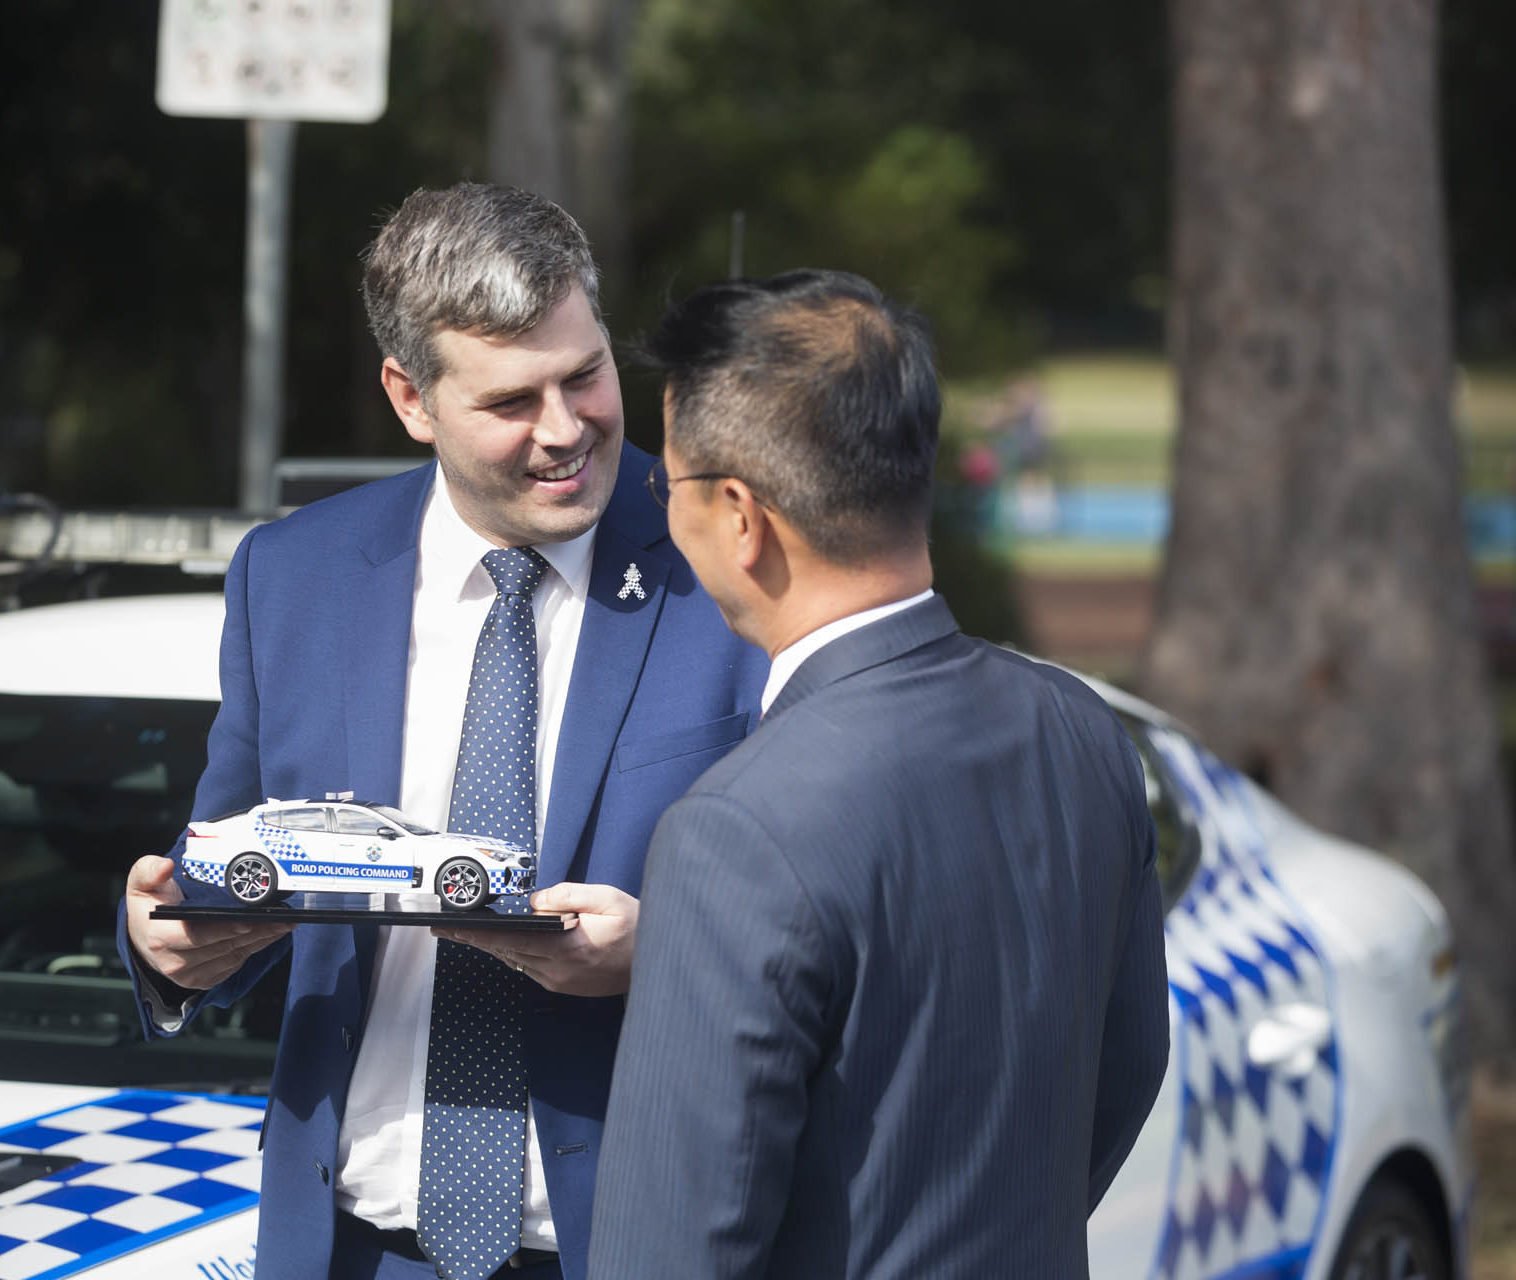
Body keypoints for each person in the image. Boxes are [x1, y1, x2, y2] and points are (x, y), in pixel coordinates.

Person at [115, 182, 765, 1280]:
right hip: (351, 1249)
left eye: (586, 374)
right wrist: (174, 949)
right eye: (513, 401)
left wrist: (665, 957)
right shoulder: (294, 577)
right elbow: (226, 862)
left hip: (633, 1246)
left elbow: (843, 919)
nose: (566, 430)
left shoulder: (736, 560)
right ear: (409, 397)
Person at [588, 269, 1169, 1279]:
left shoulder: (735, 826)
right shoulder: (1079, 727)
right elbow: (1127, 1068)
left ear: (740, 515)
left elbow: (669, 1245)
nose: (662, 510)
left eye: (664, 482)